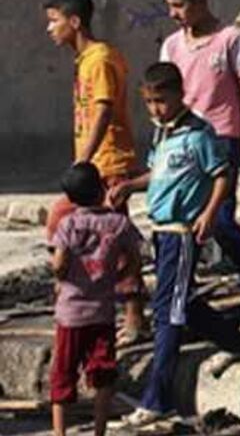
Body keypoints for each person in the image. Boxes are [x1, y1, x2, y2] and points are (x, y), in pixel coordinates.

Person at [108, 63, 240, 426]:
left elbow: (221, 176)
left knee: (167, 314)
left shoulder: (199, 134)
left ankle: (158, 399)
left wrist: (209, 213)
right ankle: (238, 344)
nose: (155, 108)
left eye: (161, 100)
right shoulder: (163, 134)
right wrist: (130, 186)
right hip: (161, 229)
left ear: (179, 95)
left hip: (182, 232)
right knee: (181, 302)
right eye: (150, 102)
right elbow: (159, 175)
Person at [155, 0, 240, 336]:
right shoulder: (173, 45)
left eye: (180, 6)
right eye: (170, 7)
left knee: (220, 220)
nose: (175, 14)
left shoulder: (229, 39)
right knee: (182, 224)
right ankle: (184, 305)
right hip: (181, 141)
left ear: (201, 2)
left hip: (221, 139)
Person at [42, 0, 146, 343]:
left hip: (106, 163)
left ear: (75, 22)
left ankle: (132, 314)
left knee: (110, 235)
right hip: (94, 165)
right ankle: (86, 297)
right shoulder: (84, 60)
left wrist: (83, 161)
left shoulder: (100, 59)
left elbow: (102, 109)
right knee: (69, 224)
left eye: (54, 21)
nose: (50, 29)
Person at [49, 162, 141, 436]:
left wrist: (63, 276)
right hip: (102, 313)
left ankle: (59, 432)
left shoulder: (68, 224)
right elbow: (135, 260)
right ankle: (99, 431)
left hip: (70, 314)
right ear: (103, 188)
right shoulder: (119, 223)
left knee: (63, 374)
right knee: (102, 374)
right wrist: (113, 277)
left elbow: (59, 263)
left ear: (72, 198)